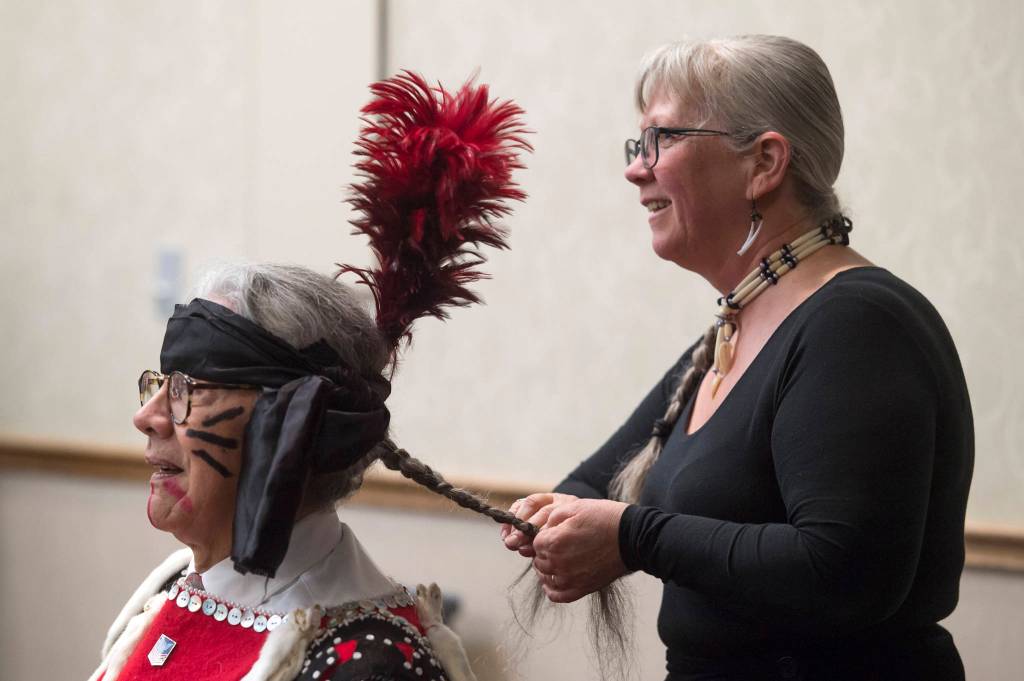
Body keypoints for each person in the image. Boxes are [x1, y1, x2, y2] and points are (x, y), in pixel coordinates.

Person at [502, 35, 973, 681]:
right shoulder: (734, 327)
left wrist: (630, 537)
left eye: (660, 140)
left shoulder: (856, 324)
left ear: (764, 163)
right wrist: (551, 517)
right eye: (637, 145)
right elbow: (595, 486)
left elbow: (842, 573)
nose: (635, 169)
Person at [89, 263, 515, 681]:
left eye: (186, 390)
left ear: (287, 428)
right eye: (159, 384)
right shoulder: (174, 584)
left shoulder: (370, 661)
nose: (147, 416)